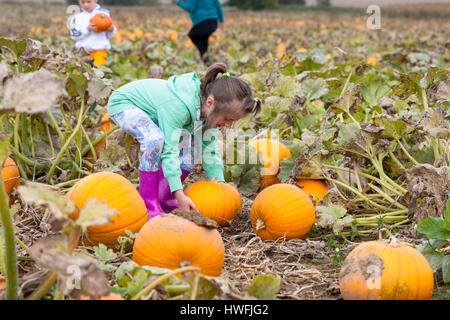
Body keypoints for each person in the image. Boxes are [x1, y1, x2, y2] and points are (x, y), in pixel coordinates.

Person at [107, 62, 261, 219]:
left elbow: (209, 149)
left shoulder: (210, 112)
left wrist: (219, 183)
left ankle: (164, 197)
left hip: (153, 113)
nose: (228, 125)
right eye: (227, 119)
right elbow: (169, 151)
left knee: (193, 146)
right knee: (154, 139)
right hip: (125, 104)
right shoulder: (178, 106)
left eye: (232, 121)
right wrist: (180, 193)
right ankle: (149, 204)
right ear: (210, 102)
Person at [175, 0, 224, 65]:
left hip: (202, 21)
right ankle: (206, 61)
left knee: (192, 35)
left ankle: (205, 58)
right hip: (213, 21)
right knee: (203, 40)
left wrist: (178, 2)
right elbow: (218, 6)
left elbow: (190, 8)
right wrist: (221, 21)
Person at [70, 0, 116, 66]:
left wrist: (111, 29)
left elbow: (110, 35)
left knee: (98, 72)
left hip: (100, 51)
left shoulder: (105, 13)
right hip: (83, 52)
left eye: (89, 2)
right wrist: (87, 29)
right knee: (81, 73)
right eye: (83, 2)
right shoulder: (77, 16)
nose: (85, 4)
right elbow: (74, 35)